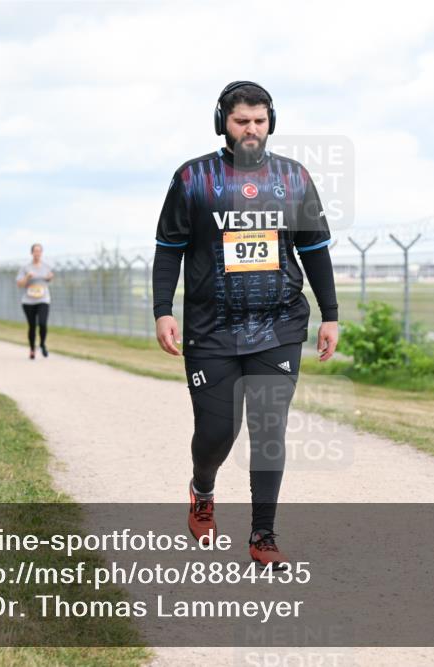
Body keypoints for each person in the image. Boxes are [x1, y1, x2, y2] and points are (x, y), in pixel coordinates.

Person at [152, 81, 339, 569]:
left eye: (259, 120)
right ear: (223, 124)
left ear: (271, 122)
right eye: (241, 121)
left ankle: (263, 535)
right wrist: (162, 310)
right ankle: (202, 490)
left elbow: (315, 250)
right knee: (218, 432)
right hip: (211, 328)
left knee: (269, 427)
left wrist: (330, 315)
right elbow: (168, 251)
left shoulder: (294, 178)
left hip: (279, 324)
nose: (251, 129)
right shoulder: (193, 179)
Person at [15, 243, 54, 359]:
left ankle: (42, 344)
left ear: (41, 253)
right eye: (35, 251)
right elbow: (19, 284)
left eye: (39, 251)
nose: (37, 253)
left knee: (42, 323)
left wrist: (50, 277)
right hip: (29, 301)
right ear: (31, 253)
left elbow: (50, 277)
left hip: (43, 299)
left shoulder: (47, 266)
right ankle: (32, 349)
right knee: (32, 326)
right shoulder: (25, 268)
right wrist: (27, 277)